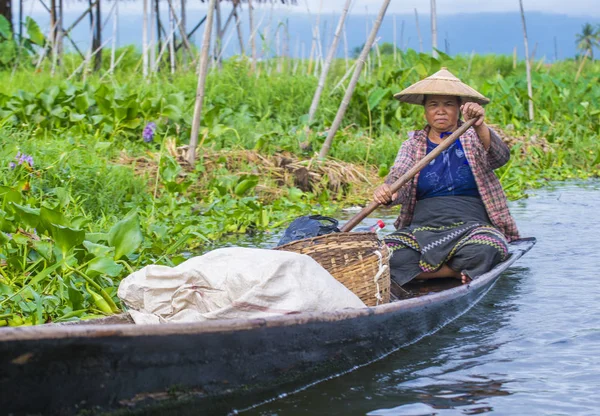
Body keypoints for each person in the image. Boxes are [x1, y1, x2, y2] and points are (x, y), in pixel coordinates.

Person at [373, 68, 520, 286]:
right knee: (385, 254)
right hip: (424, 226)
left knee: (488, 248)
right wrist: (388, 191)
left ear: (458, 110)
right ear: (425, 111)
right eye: (433, 105)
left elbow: (499, 157)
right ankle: (452, 272)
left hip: (471, 224)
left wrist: (480, 125)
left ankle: (424, 271)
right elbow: (399, 177)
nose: (440, 111)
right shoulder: (412, 144)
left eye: (448, 104)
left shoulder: (472, 136)